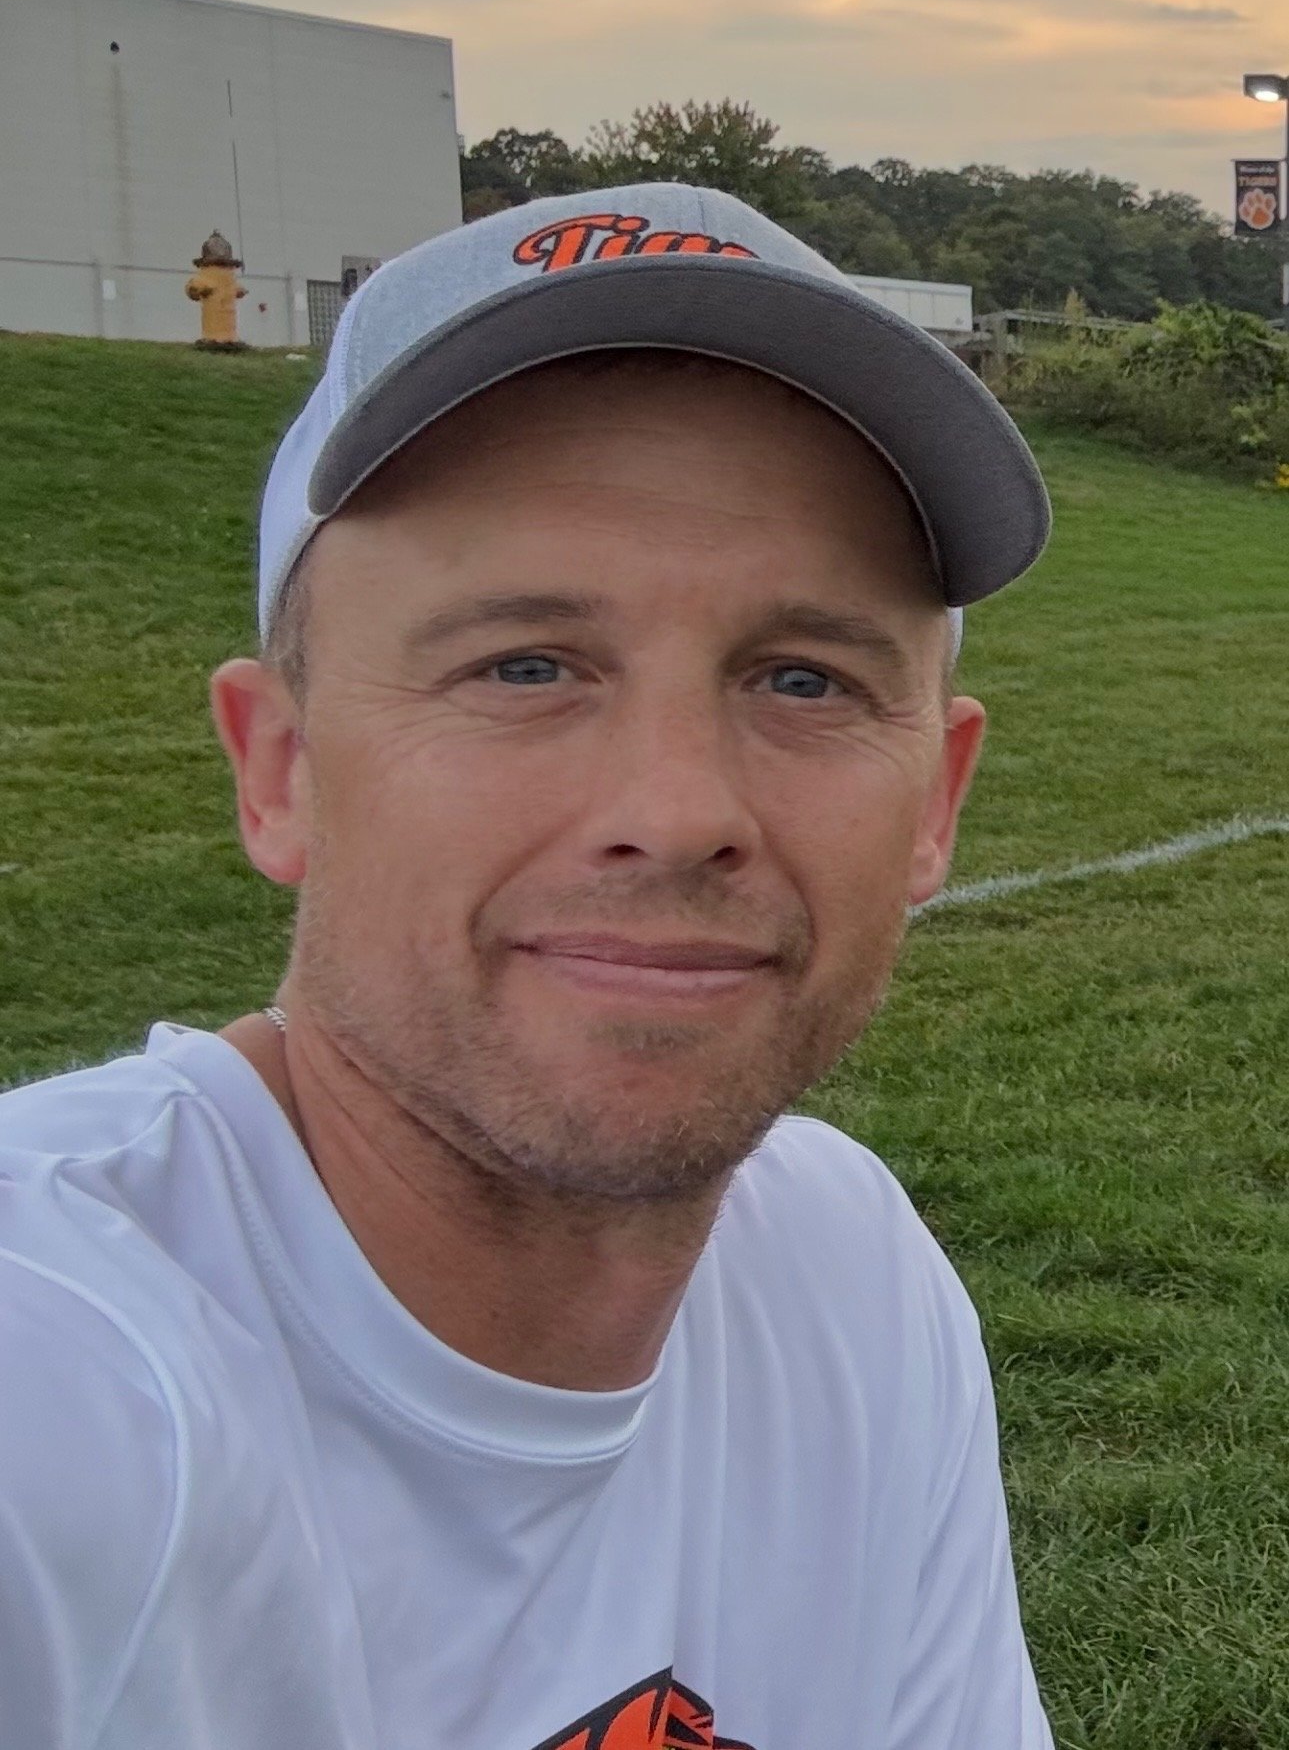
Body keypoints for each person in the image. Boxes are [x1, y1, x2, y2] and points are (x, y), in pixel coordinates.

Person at [0, 184, 1055, 1750]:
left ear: (935, 803)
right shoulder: (57, 1381)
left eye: (802, 680)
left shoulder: (843, 1274)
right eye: (525, 666)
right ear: (280, 771)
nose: (677, 811)